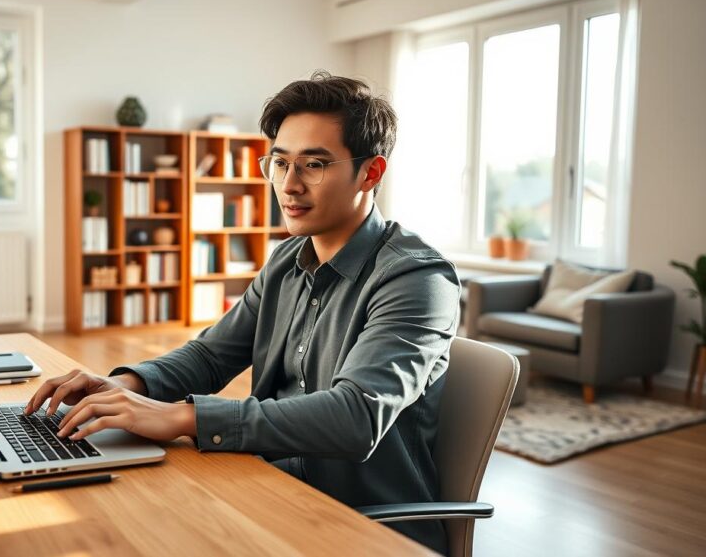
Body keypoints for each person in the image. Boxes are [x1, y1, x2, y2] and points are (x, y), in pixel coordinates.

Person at [27, 70, 460, 552]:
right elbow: (211, 357)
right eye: (279, 164)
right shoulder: (286, 262)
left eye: (313, 165)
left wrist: (183, 417)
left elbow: (356, 416)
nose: (289, 186)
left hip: (360, 526)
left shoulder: (417, 279)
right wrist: (126, 386)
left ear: (371, 172)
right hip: (267, 488)